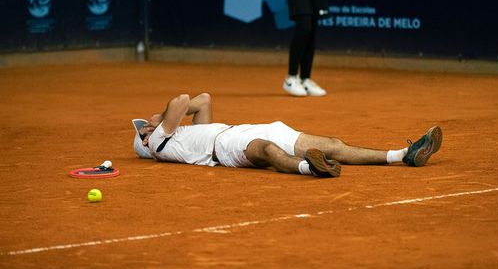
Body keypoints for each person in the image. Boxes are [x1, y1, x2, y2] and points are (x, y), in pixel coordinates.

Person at [132, 93, 444, 178]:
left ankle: (403, 155)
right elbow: (182, 100)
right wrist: (157, 120)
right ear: (147, 139)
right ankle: (310, 168)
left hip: (246, 129)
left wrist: (159, 119)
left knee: (333, 144)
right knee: (266, 151)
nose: (150, 121)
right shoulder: (160, 142)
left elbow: (204, 99)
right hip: (225, 150)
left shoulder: (182, 131)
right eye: (146, 126)